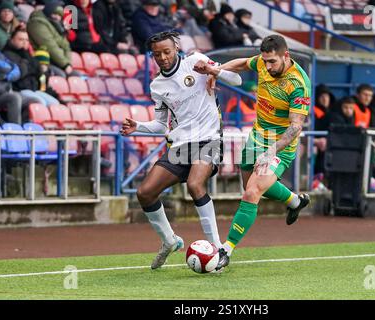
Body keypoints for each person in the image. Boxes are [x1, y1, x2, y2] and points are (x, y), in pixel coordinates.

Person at [120, 31, 242, 270]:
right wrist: (138, 127)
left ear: (176, 47)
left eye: (167, 51)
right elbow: (159, 124)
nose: (163, 57)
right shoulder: (157, 86)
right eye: (157, 54)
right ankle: (169, 240)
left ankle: (218, 249)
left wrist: (212, 71)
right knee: (145, 192)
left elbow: (236, 80)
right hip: (180, 145)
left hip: (208, 139)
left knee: (195, 185)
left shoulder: (194, 61)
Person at [195, 35, 311, 271]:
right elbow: (242, 63)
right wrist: (214, 70)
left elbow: (296, 126)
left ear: (285, 56)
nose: (267, 67)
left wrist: (271, 151)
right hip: (257, 136)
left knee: (252, 193)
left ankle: (225, 250)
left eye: (272, 62)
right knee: (252, 185)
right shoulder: (263, 61)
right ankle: (295, 201)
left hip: (280, 144)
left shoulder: (298, 84)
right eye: (265, 61)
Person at [3, 27, 60, 107]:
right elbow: (18, 75)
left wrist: (44, 72)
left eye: (26, 40)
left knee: (55, 104)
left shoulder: (29, 56)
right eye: (21, 39)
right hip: (18, 91)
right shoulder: (7, 55)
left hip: (34, 90)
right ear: (12, 40)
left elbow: (41, 79)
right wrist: (29, 66)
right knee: (39, 102)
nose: (24, 42)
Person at [27, 1, 78, 77]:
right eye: (54, 13)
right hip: (42, 60)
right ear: (48, 12)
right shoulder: (37, 23)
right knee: (61, 76)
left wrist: (68, 63)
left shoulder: (57, 26)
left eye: (59, 15)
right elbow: (50, 46)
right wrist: (65, 65)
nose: (56, 17)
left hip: (56, 61)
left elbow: (66, 46)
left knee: (77, 75)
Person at [0, 50, 23, 124]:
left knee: (34, 100)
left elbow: (16, 69)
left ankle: (24, 128)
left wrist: (8, 77)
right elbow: (3, 67)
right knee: (14, 97)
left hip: (6, 91)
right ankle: (12, 130)